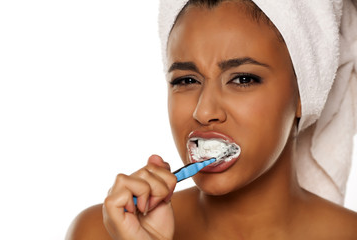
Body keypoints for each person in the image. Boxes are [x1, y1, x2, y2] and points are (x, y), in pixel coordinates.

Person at [66, 0, 357, 239]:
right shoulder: (101, 232)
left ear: (303, 94)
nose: (203, 112)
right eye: (186, 80)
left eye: (243, 79)